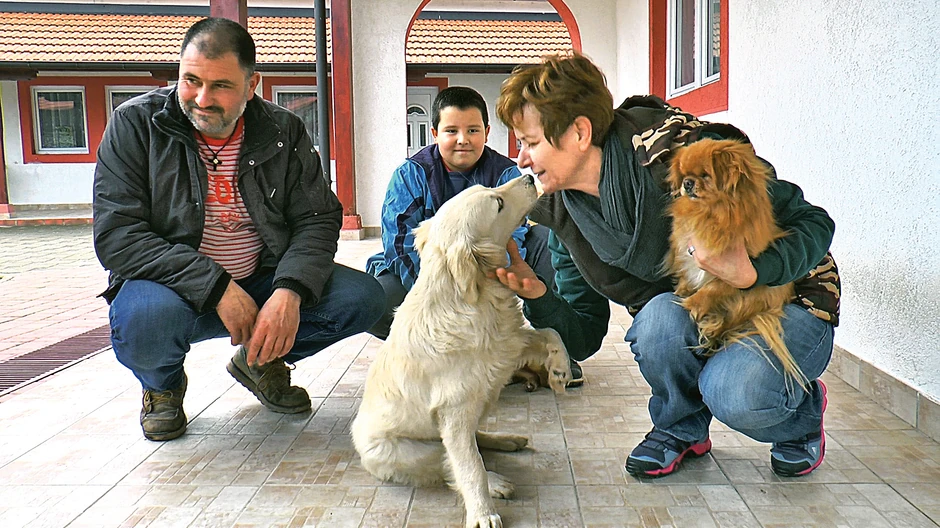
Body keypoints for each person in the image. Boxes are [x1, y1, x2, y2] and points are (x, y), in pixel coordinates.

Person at [492, 53, 841, 478]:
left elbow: (815, 221)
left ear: (579, 132)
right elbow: (581, 337)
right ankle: (682, 428)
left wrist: (754, 269)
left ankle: (801, 420)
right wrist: (539, 295)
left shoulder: (678, 151)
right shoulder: (564, 212)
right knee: (658, 321)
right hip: (706, 307)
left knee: (735, 393)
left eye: (530, 142)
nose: (522, 159)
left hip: (788, 297)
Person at [93, 17, 385, 442]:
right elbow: (118, 235)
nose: (201, 99)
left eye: (221, 86)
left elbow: (317, 218)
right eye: (190, 81)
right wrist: (216, 287)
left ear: (252, 85)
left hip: (263, 276)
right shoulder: (136, 125)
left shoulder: (283, 130)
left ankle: (261, 359)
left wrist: (289, 290)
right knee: (147, 320)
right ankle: (163, 387)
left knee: (364, 298)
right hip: (173, 289)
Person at [365, 86, 584, 386]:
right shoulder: (409, 175)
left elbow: (513, 236)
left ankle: (544, 348)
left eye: (473, 130)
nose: (463, 140)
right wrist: (447, 301)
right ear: (434, 132)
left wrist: (480, 295)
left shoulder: (506, 175)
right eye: (451, 130)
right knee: (376, 302)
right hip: (434, 283)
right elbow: (400, 246)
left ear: (487, 131)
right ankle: (438, 360)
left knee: (547, 242)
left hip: (486, 279)